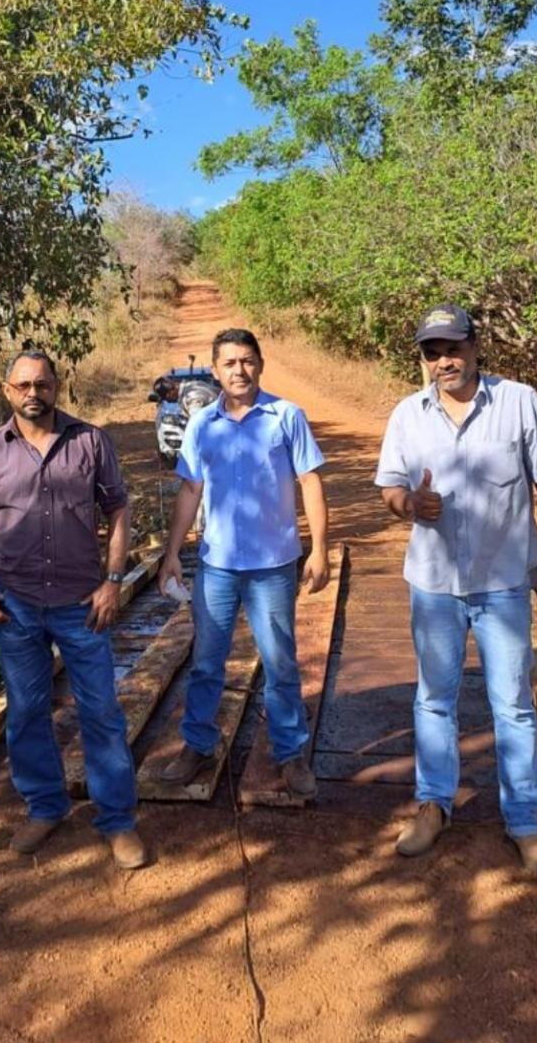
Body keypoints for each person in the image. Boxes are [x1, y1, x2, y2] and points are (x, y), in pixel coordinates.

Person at [375, 303, 537, 873]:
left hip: (504, 583)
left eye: (453, 347)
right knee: (433, 700)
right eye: (432, 351)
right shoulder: (407, 416)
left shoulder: (518, 402)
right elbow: (389, 486)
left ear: (476, 346)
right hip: (434, 585)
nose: (445, 360)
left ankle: (524, 823)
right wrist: (409, 504)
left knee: (511, 704)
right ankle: (433, 805)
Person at [0, 349, 147, 869]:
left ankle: (117, 821)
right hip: (15, 607)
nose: (33, 393)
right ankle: (45, 807)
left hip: (82, 604)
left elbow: (119, 509)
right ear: (6, 390)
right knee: (26, 712)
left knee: (101, 711)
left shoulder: (90, 442)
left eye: (42, 384)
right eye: (23, 385)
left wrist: (113, 582)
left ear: (57, 385)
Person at [158, 328, 330, 797]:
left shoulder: (286, 417)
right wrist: (172, 552)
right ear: (215, 371)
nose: (239, 370)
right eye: (229, 363)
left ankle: (290, 753)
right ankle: (198, 744)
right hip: (216, 566)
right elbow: (190, 490)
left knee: (280, 663)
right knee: (207, 662)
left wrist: (320, 550)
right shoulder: (201, 425)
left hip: (274, 566)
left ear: (260, 364)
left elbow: (310, 482)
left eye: (247, 361)